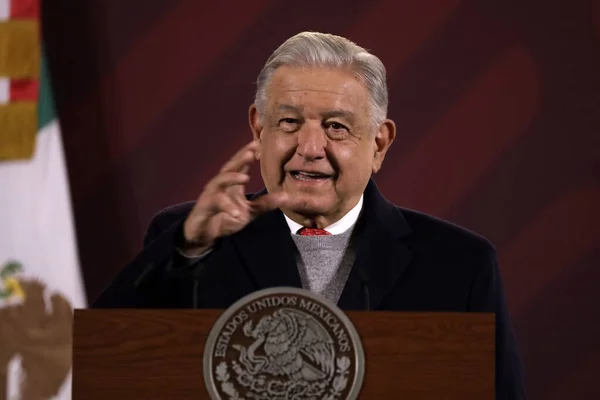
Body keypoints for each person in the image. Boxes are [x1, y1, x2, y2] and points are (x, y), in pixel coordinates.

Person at [92, 31, 525, 398]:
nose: (310, 147)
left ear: (379, 143)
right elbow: (103, 368)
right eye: (289, 123)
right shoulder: (185, 239)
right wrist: (188, 248)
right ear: (258, 130)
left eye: (336, 126)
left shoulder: (460, 264)